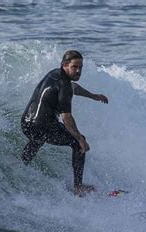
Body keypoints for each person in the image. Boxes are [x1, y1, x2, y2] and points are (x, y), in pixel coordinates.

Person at [21, 50, 108, 196]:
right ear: (65, 65)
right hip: (42, 126)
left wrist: (92, 96)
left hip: (26, 123)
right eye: (75, 67)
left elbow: (73, 88)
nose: (78, 70)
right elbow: (66, 117)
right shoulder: (64, 85)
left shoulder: (54, 74)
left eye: (80, 67)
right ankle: (78, 187)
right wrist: (80, 139)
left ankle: (22, 164)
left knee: (38, 138)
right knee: (77, 143)